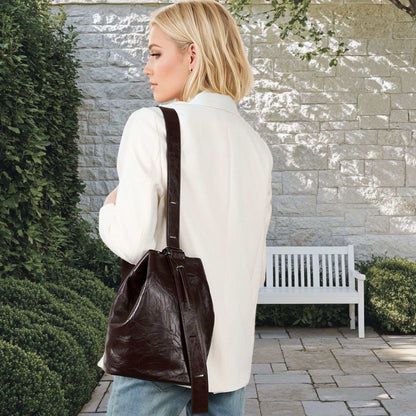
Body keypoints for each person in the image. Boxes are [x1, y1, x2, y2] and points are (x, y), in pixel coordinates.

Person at [98, 0, 273, 415]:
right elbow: (254, 262)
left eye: (156, 53)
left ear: (192, 54)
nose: (147, 68)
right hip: (231, 359)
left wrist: (108, 208)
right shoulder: (256, 146)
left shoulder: (152, 123)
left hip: (166, 350)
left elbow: (133, 240)